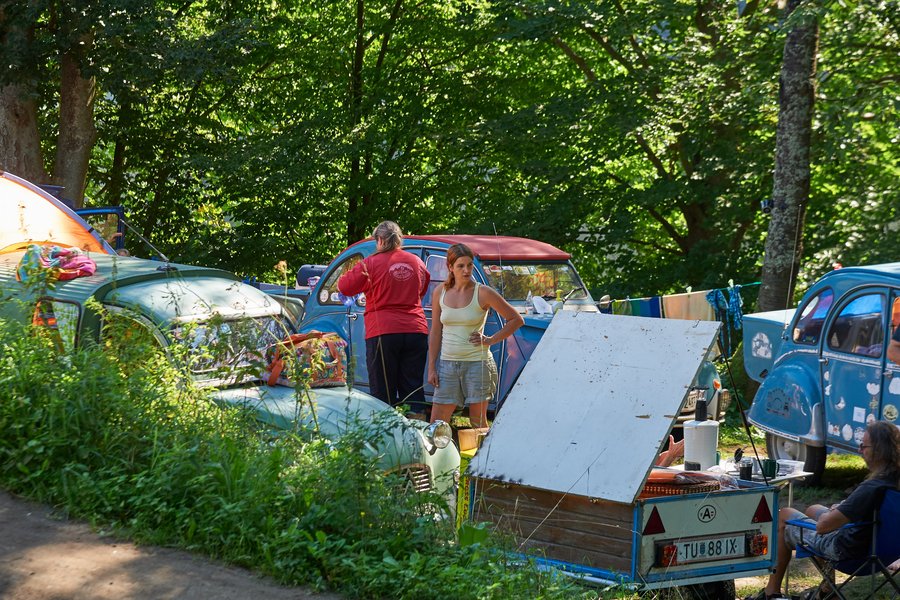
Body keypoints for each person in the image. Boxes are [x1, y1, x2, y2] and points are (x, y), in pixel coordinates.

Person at [748, 420, 900, 600]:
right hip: (885, 554)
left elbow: (823, 528)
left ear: (878, 451)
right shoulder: (893, 483)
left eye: (863, 446)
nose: (860, 451)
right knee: (814, 509)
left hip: (849, 553)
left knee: (785, 515)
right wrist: (841, 509)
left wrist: (833, 514)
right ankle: (828, 591)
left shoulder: (872, 487)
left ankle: (771, 593)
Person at [337, 221, 430, 414]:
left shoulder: (370, 263)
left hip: (383, 331)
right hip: (415, 329)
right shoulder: (416, 262)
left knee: (382, 391)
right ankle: (417, 433)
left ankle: (386, 433)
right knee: (413, 389)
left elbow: (345, 286)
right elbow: (422, 288)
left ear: (379, 240)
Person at [428, 243, 523, 428]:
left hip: (477, 364)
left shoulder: (483, 292)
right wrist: (432, 367)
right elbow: (435, 331)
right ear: (450, 267)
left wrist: (490, 340)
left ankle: (486, 458)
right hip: (447, 364)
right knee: (436, 425)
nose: (466, 270)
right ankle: (439, 457)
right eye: (460, 266)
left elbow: (516, 319)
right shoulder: (440, 292)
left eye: (469, 265)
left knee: (478, 423)